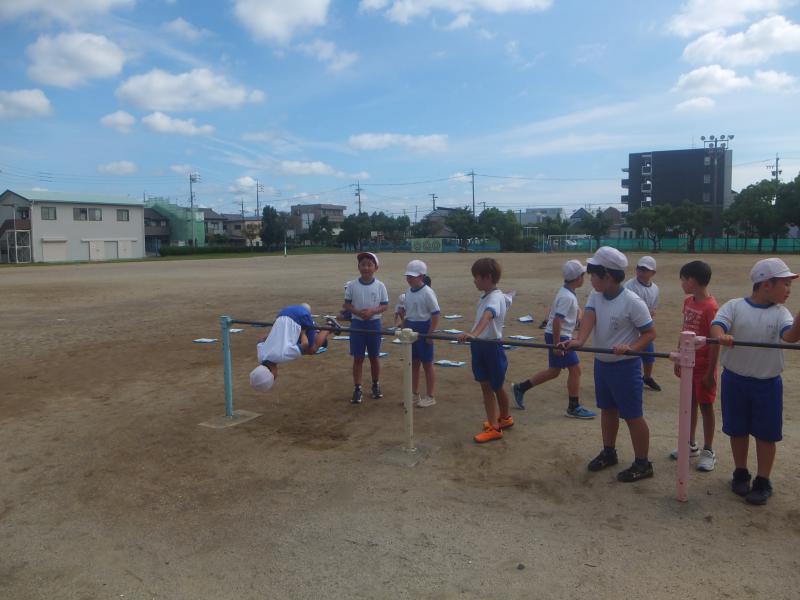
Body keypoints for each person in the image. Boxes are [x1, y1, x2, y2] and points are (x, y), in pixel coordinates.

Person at [560, 246, 656, 482]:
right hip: (602, 364)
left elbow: (650, 333)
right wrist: (579, 341)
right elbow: (590, 317)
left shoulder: (632, 302)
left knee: (632, 415)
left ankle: (643, 463)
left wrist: (632, 347)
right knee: (608, 409)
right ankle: (609, 452)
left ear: (608, 276)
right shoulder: (596, 295)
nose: (590, 278)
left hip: (626, 367)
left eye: (593, 274)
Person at [710, 257, 800, 505]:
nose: (789, 290)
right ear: (766, 284)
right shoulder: (735, 306)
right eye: (785, 284)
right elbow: (717, 326)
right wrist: (722, 336)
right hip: (735, 380)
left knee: (766, 434)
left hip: (767, 384)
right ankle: (740, 472)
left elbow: (790, 336)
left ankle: (763, 480)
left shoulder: (781, 313)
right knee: (737, 430)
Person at [512, 259, 596, 419]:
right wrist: (557, 343)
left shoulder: (567, 292)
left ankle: (521, 387)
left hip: (557, 335)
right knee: (575, 369)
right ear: (578, 278)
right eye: (583, 275)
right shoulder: (567, 297)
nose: (584, 278)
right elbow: (557, 319)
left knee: (554, 371)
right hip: (559, 336)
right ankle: (573, 406)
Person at [669, 260, 720, 471]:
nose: (681, 283)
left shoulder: (711, 307)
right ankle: (689, 444)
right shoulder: (688, 302)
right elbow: (685, 330)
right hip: (688, 363)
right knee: (688, 403)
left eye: (683, 279)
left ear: (692, 281)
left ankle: (709, 449)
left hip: (704, 366)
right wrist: (679, 355)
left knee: (706, 406)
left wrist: (710, 372)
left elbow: (715, 342)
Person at [457, 258, 514, 443]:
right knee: (492, 386)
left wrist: (473, 334)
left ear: (487, 277)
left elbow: (488, 316)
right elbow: (505, 301)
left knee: (490, 387)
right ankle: (504, 418)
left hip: (489, 346)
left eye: (476, 277)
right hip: (482, 345)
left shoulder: (494, 297)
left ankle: (495, 427)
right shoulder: (491, 295)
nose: (474, 280)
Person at [249, 303, 333, 391]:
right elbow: (261, 340)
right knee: (297, 340)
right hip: (283, 314)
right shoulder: (261, 356)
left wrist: (303, 332)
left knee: (312, 349)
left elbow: (305, 345)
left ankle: (329, 326)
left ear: (272, 373)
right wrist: (274, 333)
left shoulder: (281, 356)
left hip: (300, 317)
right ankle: (313, 326)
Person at [343, 251, 389, 404]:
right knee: (358, 358)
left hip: (374, 325)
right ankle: (357, 388)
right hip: (357, 325)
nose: (366, 268)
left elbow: (385, 305)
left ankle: (376, 385)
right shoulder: (352, 285)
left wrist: (372, 312)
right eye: (363, 264)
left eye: (369, 265)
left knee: (374, 357)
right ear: (358, 267)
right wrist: (357, 312)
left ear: (376, 268)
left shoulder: (380, 286)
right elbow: (347, 304)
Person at [402, 260, 441, 408]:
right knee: (414, 363)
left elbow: (436, 314)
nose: (409, 279)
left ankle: (430, 396)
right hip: (410, 329)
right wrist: (403, 327)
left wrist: (430, 334)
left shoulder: (428, 292)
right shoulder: (408, 292)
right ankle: (414, 393)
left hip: (424, 329)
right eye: (408, 276)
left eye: (412, 276)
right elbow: (407, 312)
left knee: (427, 364)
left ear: (422, 276)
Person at [625, 256, 661, 391]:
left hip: (645, 327)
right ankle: (630, 378)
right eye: (639, 268)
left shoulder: (655, 288)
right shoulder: (629, 286)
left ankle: (647, 376)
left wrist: (651, 312)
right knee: (630, 354)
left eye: (645, 270)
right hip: (631, 328)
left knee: (649, 354)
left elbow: (653, 307)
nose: (641, 272)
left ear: (653, 273)